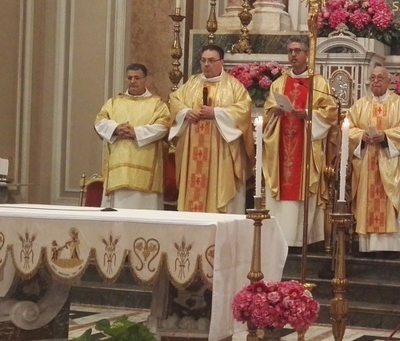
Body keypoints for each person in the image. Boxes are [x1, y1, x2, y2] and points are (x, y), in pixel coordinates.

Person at [262, 38, 338, 247]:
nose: (293, 55)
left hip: (306, 145)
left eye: (298, 51)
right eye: (290, 51)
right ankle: (280, 238)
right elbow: (267, 114)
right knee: (283, 191)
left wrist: (305, 113)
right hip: (281, 144)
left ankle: (303, 239)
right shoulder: (279, 83)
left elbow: (331, 112)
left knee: (304, 188)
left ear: (307, 55)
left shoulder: (318, 83)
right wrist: (274, 112)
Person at [169, 45, 253, 213]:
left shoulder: (233, 86)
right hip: (193, 149)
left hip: (220, 153)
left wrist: (216, 113)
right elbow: (174, 101)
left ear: (221, 62)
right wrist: (186, 112)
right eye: (203, 60)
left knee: (219, 189)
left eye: (211, 60)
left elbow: (244, 110)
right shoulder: (191, 83)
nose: (206, 64)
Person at [347, 66, 400, 253]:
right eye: (373, 78)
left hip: (391, 162)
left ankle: (393, 248)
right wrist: (361, 135)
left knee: (393, 204)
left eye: (380, 78)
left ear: (388, 81)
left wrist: (385, 137)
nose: (376, 81)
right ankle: (367, 247)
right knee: (367, 204)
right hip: (366, 163)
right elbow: (347, 128)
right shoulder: (360, 105)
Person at [94, 63, 170, 209]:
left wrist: (136, 132)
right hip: (118, 171)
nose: (133, 81)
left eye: (137, 78)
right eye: (129, 78)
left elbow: (163, 126)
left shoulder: (157, 104)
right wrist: (116, 129)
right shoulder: (114, 102)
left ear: (145, 80)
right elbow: (99, 121)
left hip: (146, 171)